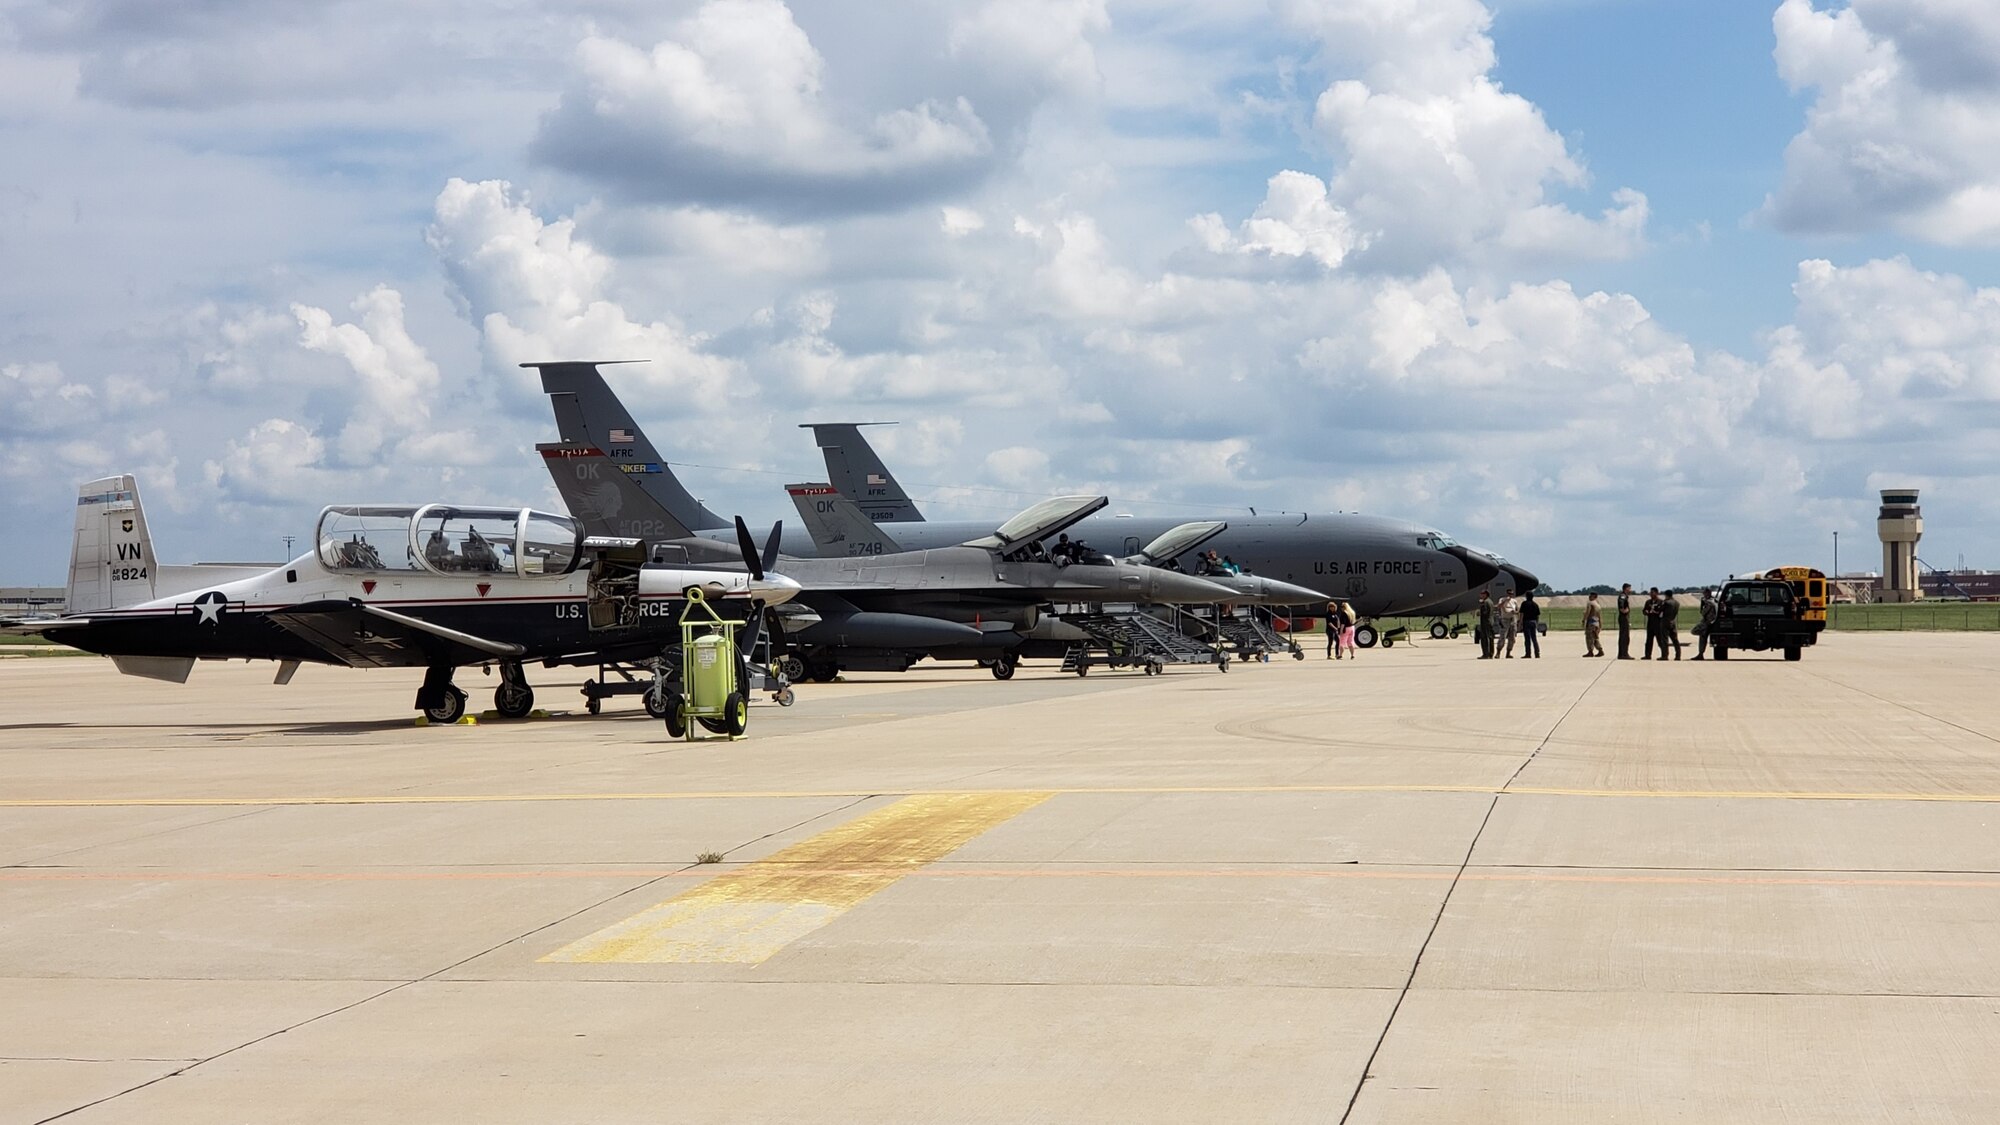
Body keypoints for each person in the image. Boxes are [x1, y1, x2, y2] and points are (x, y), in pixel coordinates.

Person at [1692, 589, 1718, 659]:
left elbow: (1703, 612)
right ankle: (1701, 653)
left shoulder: (1709, 602)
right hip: (1713, 622)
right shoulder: (1715, 600)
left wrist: (1702, 604)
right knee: (1703, 636)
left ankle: (1701, 653)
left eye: (1705, 594)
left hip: (1708, 622)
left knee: (1695, 632)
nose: (1704, 595)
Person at [1661, 589, 1683, 660]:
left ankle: (1665, 655)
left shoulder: (1666, 602)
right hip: (1673, 621)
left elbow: (1661, 610)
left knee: (1665, 639)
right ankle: (1678, 655)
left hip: (1665, 622)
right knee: (1675, 639)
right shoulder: (1677, 603)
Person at [1641, 587, 1663, 659]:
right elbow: (1644, 610)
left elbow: (1662, 612)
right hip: (1650, 623)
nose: (1651, 594)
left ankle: (1664, 654)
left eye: (1652, 592)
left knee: (1660, 640)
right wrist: (1646, 612)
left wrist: (1656, 612)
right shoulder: (1648, 602)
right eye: (1650, 593)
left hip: (1658, 624)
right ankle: (1647, 655)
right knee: (1649, 640)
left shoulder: (1661, 602)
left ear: (1656, 593)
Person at [1519, 591, 1542, 658]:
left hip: (1526, 622)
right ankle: (1537, 653)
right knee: (1534, 638)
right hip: (1533, 622)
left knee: (1527, 639)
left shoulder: (1524, 604)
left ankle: (1528, 653)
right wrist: (1537, 623)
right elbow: (1538, 615)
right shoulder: (1535, 604)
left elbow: (1522, 614)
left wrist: (1520, 623)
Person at [1582, 592, 1604, 657]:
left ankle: (1590, 651)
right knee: (1595, 637)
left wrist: (1584, 619)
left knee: (1589, 638)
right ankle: (1600, 650)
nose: (1589, 597)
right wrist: (1600, 625)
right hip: (1596, 623)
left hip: (1591, 623)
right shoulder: (1598, 605)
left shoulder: (1590, 603)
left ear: (1594, 596)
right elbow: (1600, 616)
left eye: (1591, 596)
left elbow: (1587, 613)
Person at [1617, 583, 1634, 659]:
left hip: (1624, 617)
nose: (1630, 590)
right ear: (1625, 588)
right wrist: (1624, 610)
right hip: (1624, 618)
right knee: (1625, 636)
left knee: (1624, 636)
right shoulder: (1623, 596)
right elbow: (1621, 604)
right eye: (1629, 588)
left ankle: (1622, 653)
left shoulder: (1625, 596)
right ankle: (1624, 654)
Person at [1499, 593, 1519, 657]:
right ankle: (1498, 651)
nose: (1510, 595)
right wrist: (1505, 601)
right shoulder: (1502, 599)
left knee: (1512, 638)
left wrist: (1515, 612)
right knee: (1503, 637)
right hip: (1505, 619)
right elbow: (1499, 606)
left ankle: (1508, 652)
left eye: (1511, 594)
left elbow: (1517, 610)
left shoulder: (1514, 601)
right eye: (1509, 594)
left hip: (1513, 620)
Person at [1476, 590, 1495, 659]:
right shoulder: (1490, 601)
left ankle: (1486, 654)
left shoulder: (1485, 602)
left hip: (1485, 622)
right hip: (1490, 621)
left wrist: (1481, 607)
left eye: (1482, 594)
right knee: (1490, 637)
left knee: (1484, 638)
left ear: (1485, 595)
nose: (1481, 595)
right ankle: (1491, 653)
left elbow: (1485, 613)